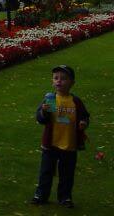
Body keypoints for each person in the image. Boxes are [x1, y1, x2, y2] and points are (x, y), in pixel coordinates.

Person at [31, 65, 90, 208]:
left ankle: (65, 197)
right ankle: (41, 195)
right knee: (46, 171)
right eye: (56, 78)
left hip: (69, 144)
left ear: (72, 83)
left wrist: (83, 123)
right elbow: (41, 119)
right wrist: (44, 112)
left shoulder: (75, 101)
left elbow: (84, 116)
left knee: (67, 174)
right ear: (52, 81)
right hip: (50, 144)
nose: (59, 81)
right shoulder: (50, 99)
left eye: (63, 79)